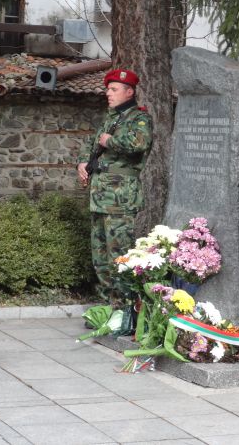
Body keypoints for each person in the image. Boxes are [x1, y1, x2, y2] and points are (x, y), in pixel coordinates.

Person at [77, 68, 152, 304]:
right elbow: (91, 143)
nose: (108, 93)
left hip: (121, 198)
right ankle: (105, 305)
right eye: (108, 89)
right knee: (99, 254)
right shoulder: (110, 119)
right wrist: (82, 161)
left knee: (119, 255)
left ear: (129, 92)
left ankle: (124, 307)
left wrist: (110, 140)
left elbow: (139, 143)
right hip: (100, 196)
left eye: (113, 89)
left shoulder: (139, 118)